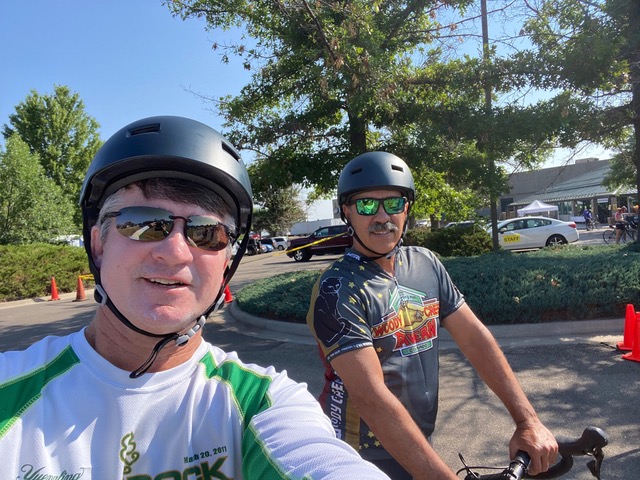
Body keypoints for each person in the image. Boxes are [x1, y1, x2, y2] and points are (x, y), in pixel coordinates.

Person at [0, 116, 391, 479]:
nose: (175, 252)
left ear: (226, 262)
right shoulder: (10, 388)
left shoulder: (262, 403)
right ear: (98, 243)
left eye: (206, 232)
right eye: (143, 223)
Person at [306, 152, 558, 480]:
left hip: (417, 445)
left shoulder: (425, 263)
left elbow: (475, 339)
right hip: (359, 458)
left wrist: (527, 421)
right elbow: (371, 398)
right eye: (367, 205)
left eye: (394, 204)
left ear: (407, 209)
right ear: (346, 213)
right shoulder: (336, 289)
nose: (382, 216)